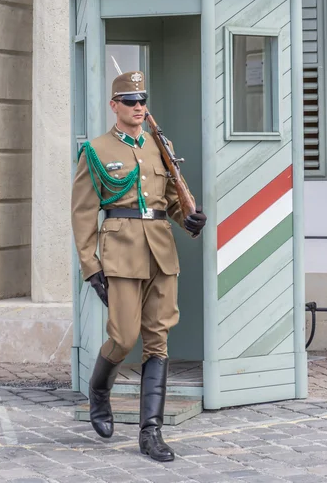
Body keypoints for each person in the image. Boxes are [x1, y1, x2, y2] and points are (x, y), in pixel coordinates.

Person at [71, 71, 206, 462]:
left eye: (142, 99)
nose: (137, 107)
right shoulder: (96, 151)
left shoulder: (160, 146)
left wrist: (190, 219)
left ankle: (151, 433)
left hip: (161, 252)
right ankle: (99, 390)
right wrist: (90, 265)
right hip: (121, 253)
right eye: (129, 100)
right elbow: (82, 213)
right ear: (114, 105)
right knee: (123, 337)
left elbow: (172, 201)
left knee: (158, 341)